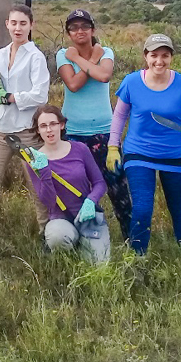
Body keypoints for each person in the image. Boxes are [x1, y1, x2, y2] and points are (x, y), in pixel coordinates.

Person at [108, 33, 181, 255]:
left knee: (179, 209)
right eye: (154, 55)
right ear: (145, 56)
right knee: (142, 210)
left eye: (165, 56)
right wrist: (113, 147)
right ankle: (138, 259)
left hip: (175, 154)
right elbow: (119, 117)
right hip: (139, 152)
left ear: (171, 57)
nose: (159, 61)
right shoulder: (131, 82)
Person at [55, 9, 131, 238]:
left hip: (105, 133)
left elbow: (104, 76)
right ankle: (82, 236)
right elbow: (74, 84)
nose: (80, 31)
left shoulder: (106, 51)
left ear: (92, 30)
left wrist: (79, 59)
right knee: (77, 188)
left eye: (84, 26)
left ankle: (133, 239)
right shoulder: (62, 55)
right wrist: (89, 59)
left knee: (118, 188)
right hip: (73, 134)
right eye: (74, 27)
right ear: (68, 33)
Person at [0, 5, 50, 240]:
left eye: (23, 23)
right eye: (14, 23)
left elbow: (41, 95)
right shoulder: (0, 54)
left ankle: (46, 233)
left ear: (31, 25)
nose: (18, 28)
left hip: (26, 133)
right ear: (7, 24)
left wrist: (11, 97)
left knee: (38, 187)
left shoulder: (35, 57)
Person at [21, 105, 110, 263]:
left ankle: (85, 244)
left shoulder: (80, 149)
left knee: (99, 266)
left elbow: (100, 183)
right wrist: (44, 171)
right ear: (37, 130)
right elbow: (48, 202)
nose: (49, 130)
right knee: (57, 237)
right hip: (61, 220)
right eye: (43, 126)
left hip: (87, 218)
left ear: (61, 125)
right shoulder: (34, 162)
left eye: (53, 124)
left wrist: (91, 201)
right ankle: (67, 251)